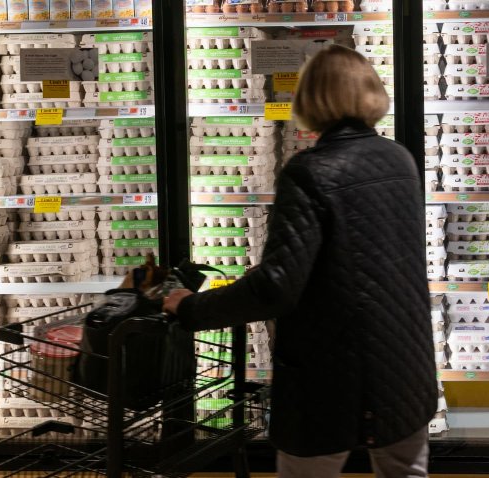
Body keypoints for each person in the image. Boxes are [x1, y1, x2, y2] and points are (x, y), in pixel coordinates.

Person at [163, 45, 438, 478]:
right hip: (404, 365)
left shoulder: (309, 172)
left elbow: (276, 285)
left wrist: (190, 307)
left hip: (332, 375)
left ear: (310, 99)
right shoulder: (400, 158)